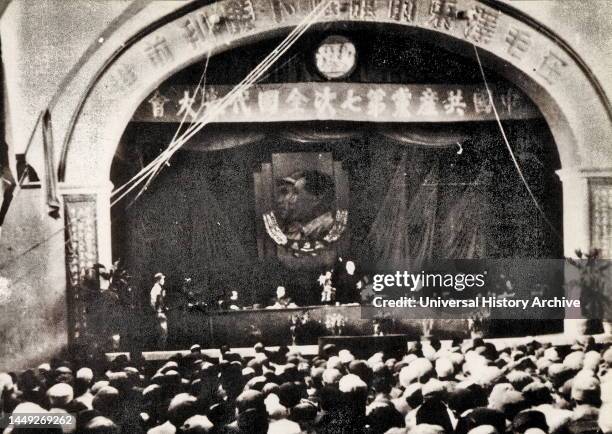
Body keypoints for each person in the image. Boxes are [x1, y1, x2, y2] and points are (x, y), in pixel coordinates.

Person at [150, 273, 168, 349]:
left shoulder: (158, 288)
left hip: (159, 311)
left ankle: (161, 348)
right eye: (162, 279)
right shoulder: (157, 288)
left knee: (162, 332)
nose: (163, 280)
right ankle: (161, 349)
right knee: (163, 331)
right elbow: (156, 301)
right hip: (159, 312)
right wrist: (159, 309)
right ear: (158, 280)